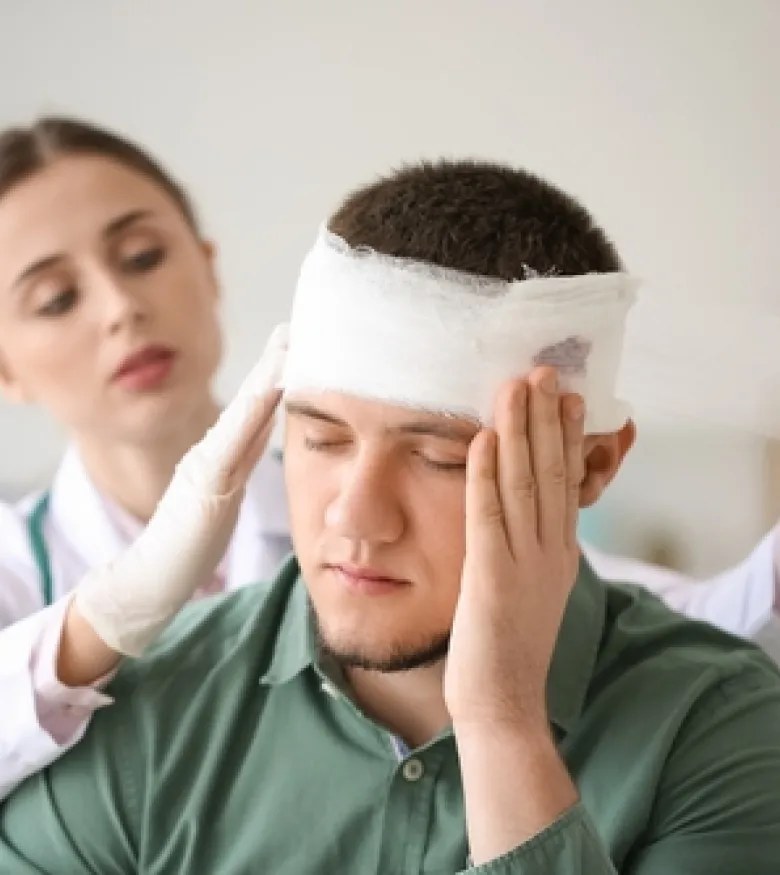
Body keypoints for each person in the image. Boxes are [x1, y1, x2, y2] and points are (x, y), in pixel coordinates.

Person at [1, 159, 779, 874]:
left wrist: (501, 720)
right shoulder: (142, 720)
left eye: (438, 455)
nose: (356, 516)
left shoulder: (717, 725)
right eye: (320, 437)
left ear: (592, 465)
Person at [0, 117, 291, 799]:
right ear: (5, 371)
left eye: (141, 256)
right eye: (57, 299)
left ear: (209, 266)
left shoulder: (352, 510)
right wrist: (106, 618)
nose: (121, 306)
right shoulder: (13, 561)